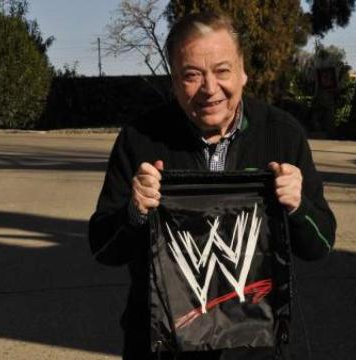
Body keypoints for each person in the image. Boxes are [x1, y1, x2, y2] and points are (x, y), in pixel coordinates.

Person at [88, 11, 336, 360]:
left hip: (255, 347)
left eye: (222, 71)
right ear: (173, 80)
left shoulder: (281, 134)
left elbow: (320, 244)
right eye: (192, 75)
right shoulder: (139, 140)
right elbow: (102, 249)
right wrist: (134, 212)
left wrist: (298, 207)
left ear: (243, 71)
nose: (209, 88)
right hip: (161, 346)